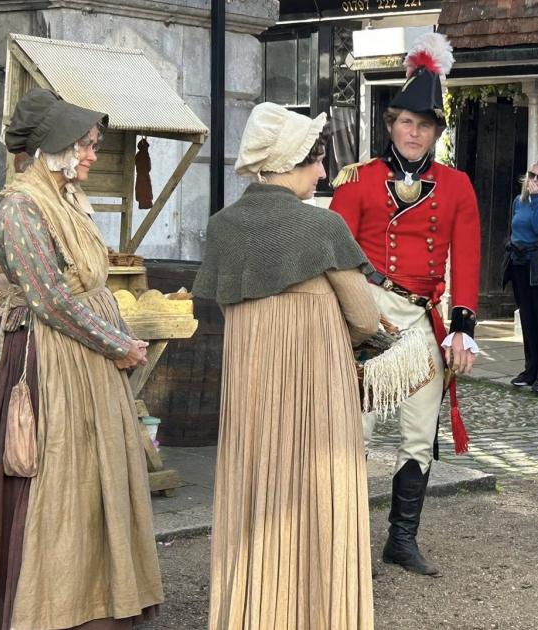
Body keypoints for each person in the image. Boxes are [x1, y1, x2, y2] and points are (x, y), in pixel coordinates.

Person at [0, 88, 162, 629]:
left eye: (94, 145)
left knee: (96, 477)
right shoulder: (19, 208)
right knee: (58, 476)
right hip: (51, 358)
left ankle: (103, 598)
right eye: (87, 146)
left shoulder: (69, 197)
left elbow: (85, 281)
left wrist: (115, 337)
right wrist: (117, 342)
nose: (93, 156)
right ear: (53, 146)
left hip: (87, 355)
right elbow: (49, 298)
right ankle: (52, 607)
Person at [195, 103, 378, 629]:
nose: (323, 172)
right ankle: (319, 613)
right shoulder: (321, 225)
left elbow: (227, 301)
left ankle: (252, 609)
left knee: (257, 484)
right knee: (319, 483)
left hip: (251, 380)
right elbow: (364, 317)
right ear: (292, 160)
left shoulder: (222, 227)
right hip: (315, 379)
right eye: (316, 160)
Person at [330, 32, 480, 577]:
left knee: (420, 432)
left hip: (422, 318)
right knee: (357, 431)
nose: (415, 133)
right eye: (406, 123)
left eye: (426, 125)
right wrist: (345, 323)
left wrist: (462, 328)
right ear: (391, 125)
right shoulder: (358, 182)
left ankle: (401, 540)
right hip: (368, 312)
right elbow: (338, 260)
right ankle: (343, 538)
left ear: (438, 132)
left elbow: (466, 260)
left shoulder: (458, 186)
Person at [506, 159, 538, 393]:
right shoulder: (519, 201)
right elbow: (514, 228)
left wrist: (537, 198)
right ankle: (531, 368)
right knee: (527, 319)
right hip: (520, 264)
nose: (534, 181)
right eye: (532, 175)